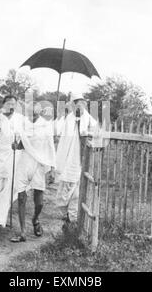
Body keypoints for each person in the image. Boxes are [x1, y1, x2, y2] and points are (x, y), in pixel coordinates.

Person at [10, 101, 56, 243]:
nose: (33, 116)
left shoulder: (46, 126)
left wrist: (52, 168)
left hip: (39, 163)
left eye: (36, 113)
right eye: (30, 113)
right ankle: (22, 232)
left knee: (39, 202)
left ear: (41, 113)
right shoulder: (23, 125)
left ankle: (35, 219)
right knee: (22, 197)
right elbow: (20, 145)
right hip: (25, 161)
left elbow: (50, 146)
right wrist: (15, 145)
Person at [55, 93, 97, 226]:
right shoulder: (68, 118)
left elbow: (97, 132)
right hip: (67, 157)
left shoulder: (89, 119)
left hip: (80, 158)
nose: (80, 105)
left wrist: (88, 134)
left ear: (85, 105)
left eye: (82, 103)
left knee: (76, 190)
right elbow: (57, 130)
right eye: (77, 103)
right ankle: (65, 212)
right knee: (64, 187)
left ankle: (72, 215)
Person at [0, 95, 24, 228]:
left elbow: (24, 136)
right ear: (4, 104)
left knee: (10, 187)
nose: (11, 106)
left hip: (15, 155)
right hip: (0, 153)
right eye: (9, 103)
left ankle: (0, 218)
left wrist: (19, 143)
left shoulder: (20, 119)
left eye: (13, 104)